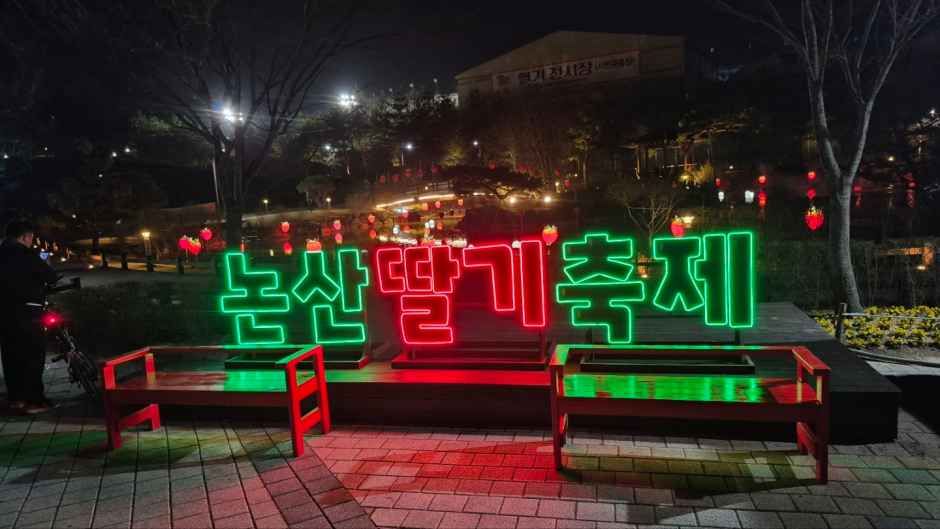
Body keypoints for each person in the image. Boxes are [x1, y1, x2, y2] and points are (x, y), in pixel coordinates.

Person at [0, 220, 58, 414]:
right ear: (24, 237)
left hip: (4, 314)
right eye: (31, 238)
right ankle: (34, 401)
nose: (31, 242)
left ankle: (16, 399)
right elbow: (50, 276)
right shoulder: (25, 254)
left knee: (11, 356)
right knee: (33, 355)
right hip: (28, 312)